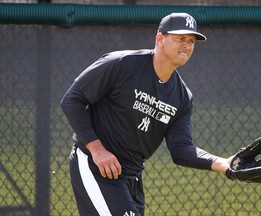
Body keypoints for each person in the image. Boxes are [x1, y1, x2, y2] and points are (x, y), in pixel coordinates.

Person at [61, 12, 231, 216]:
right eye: (180, 38)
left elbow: (181, 149)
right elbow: (72, 100)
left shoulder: (182, 97)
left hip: (131, 175)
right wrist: (97, 150)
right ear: (159, 39)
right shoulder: (121, 63)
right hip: (96, 166)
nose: (186, 45)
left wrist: (223, 164)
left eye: (191, 41)